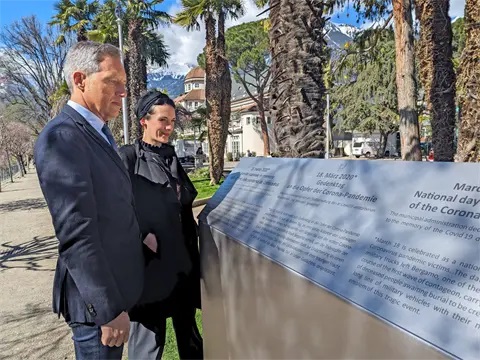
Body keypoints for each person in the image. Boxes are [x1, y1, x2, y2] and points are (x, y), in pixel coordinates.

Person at [34, 41, 144, 359]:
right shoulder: (63, 137)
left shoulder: (98, 131)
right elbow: (76, 232)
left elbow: (110, 204)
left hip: (111, 290)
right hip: (96, 309)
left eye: (124, 83)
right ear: (81, 80)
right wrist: (108, 310)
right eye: (113, 82)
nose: (123, 93)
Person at [118, 90, 203, 360]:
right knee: (147, 347)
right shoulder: (128, 158)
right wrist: (143, 234)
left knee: (191, 342)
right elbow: (116, 210)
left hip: (182, 267)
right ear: (144, 120)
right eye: (163, 120)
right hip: (150, 272)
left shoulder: (171, 156)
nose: (168, 127)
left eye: (172, 121)